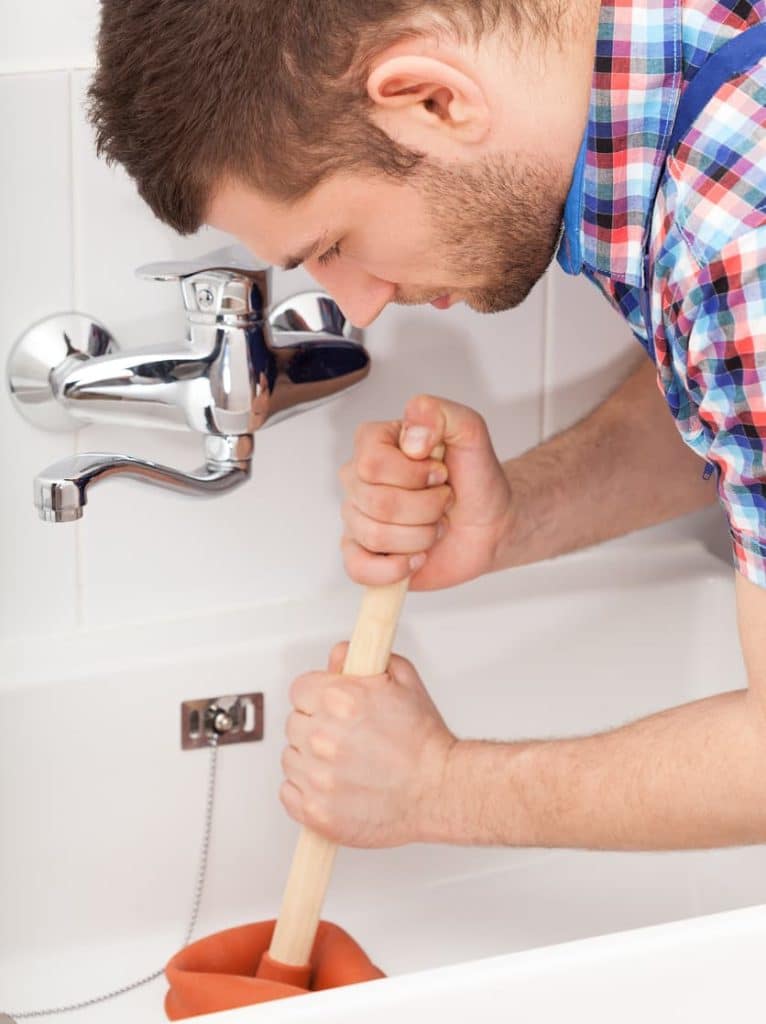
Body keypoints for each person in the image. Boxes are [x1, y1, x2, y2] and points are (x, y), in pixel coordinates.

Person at [89, 0, 766, 851]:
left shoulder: (741, 239)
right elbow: (731, 397)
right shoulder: (658, 85)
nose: (361, 304)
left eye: (335, 242)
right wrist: (521, 512)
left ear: (433, 101)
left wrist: (434, 789)